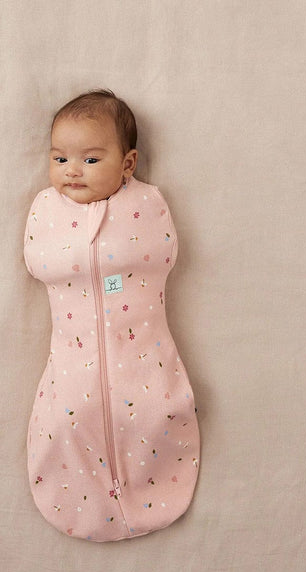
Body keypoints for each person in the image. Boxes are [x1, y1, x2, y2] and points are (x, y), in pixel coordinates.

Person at [23, 89, 200, 541]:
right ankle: (82, 498)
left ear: (128, 164)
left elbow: (160, 254)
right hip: (71, 362)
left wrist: (111, 264)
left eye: (90, 159)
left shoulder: (145, 204)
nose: (72, 170)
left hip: (142, 355)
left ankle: (149, 489)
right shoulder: (47, 208)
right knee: (68, 419)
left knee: (153, 412)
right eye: (60, 159)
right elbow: (39, 263)